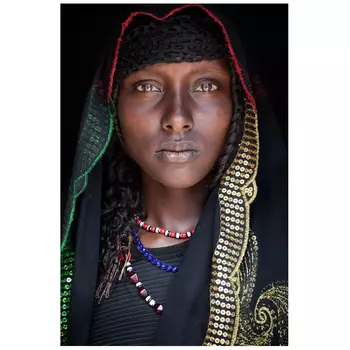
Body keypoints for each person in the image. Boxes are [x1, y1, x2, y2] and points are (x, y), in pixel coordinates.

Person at [61, 4, 288, 346]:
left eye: (207, 86)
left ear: (238, 103)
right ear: (112, 108)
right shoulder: (70, 265)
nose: (178, 117)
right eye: (147, 87)